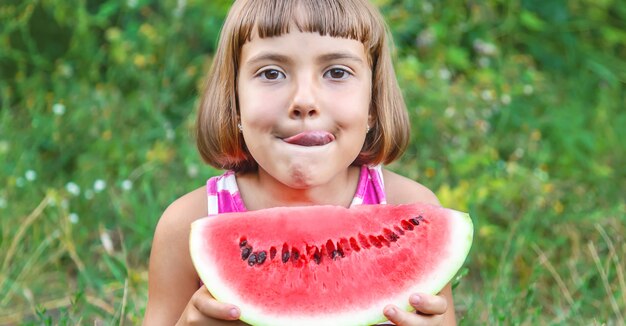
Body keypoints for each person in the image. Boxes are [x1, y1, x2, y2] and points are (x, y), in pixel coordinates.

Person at [144, 0, 456, 325]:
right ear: (234, 102)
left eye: (337, 72)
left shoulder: (415, 212)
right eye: (271, 73)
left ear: (373, 105)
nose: (304, 101)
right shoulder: (188, 226)